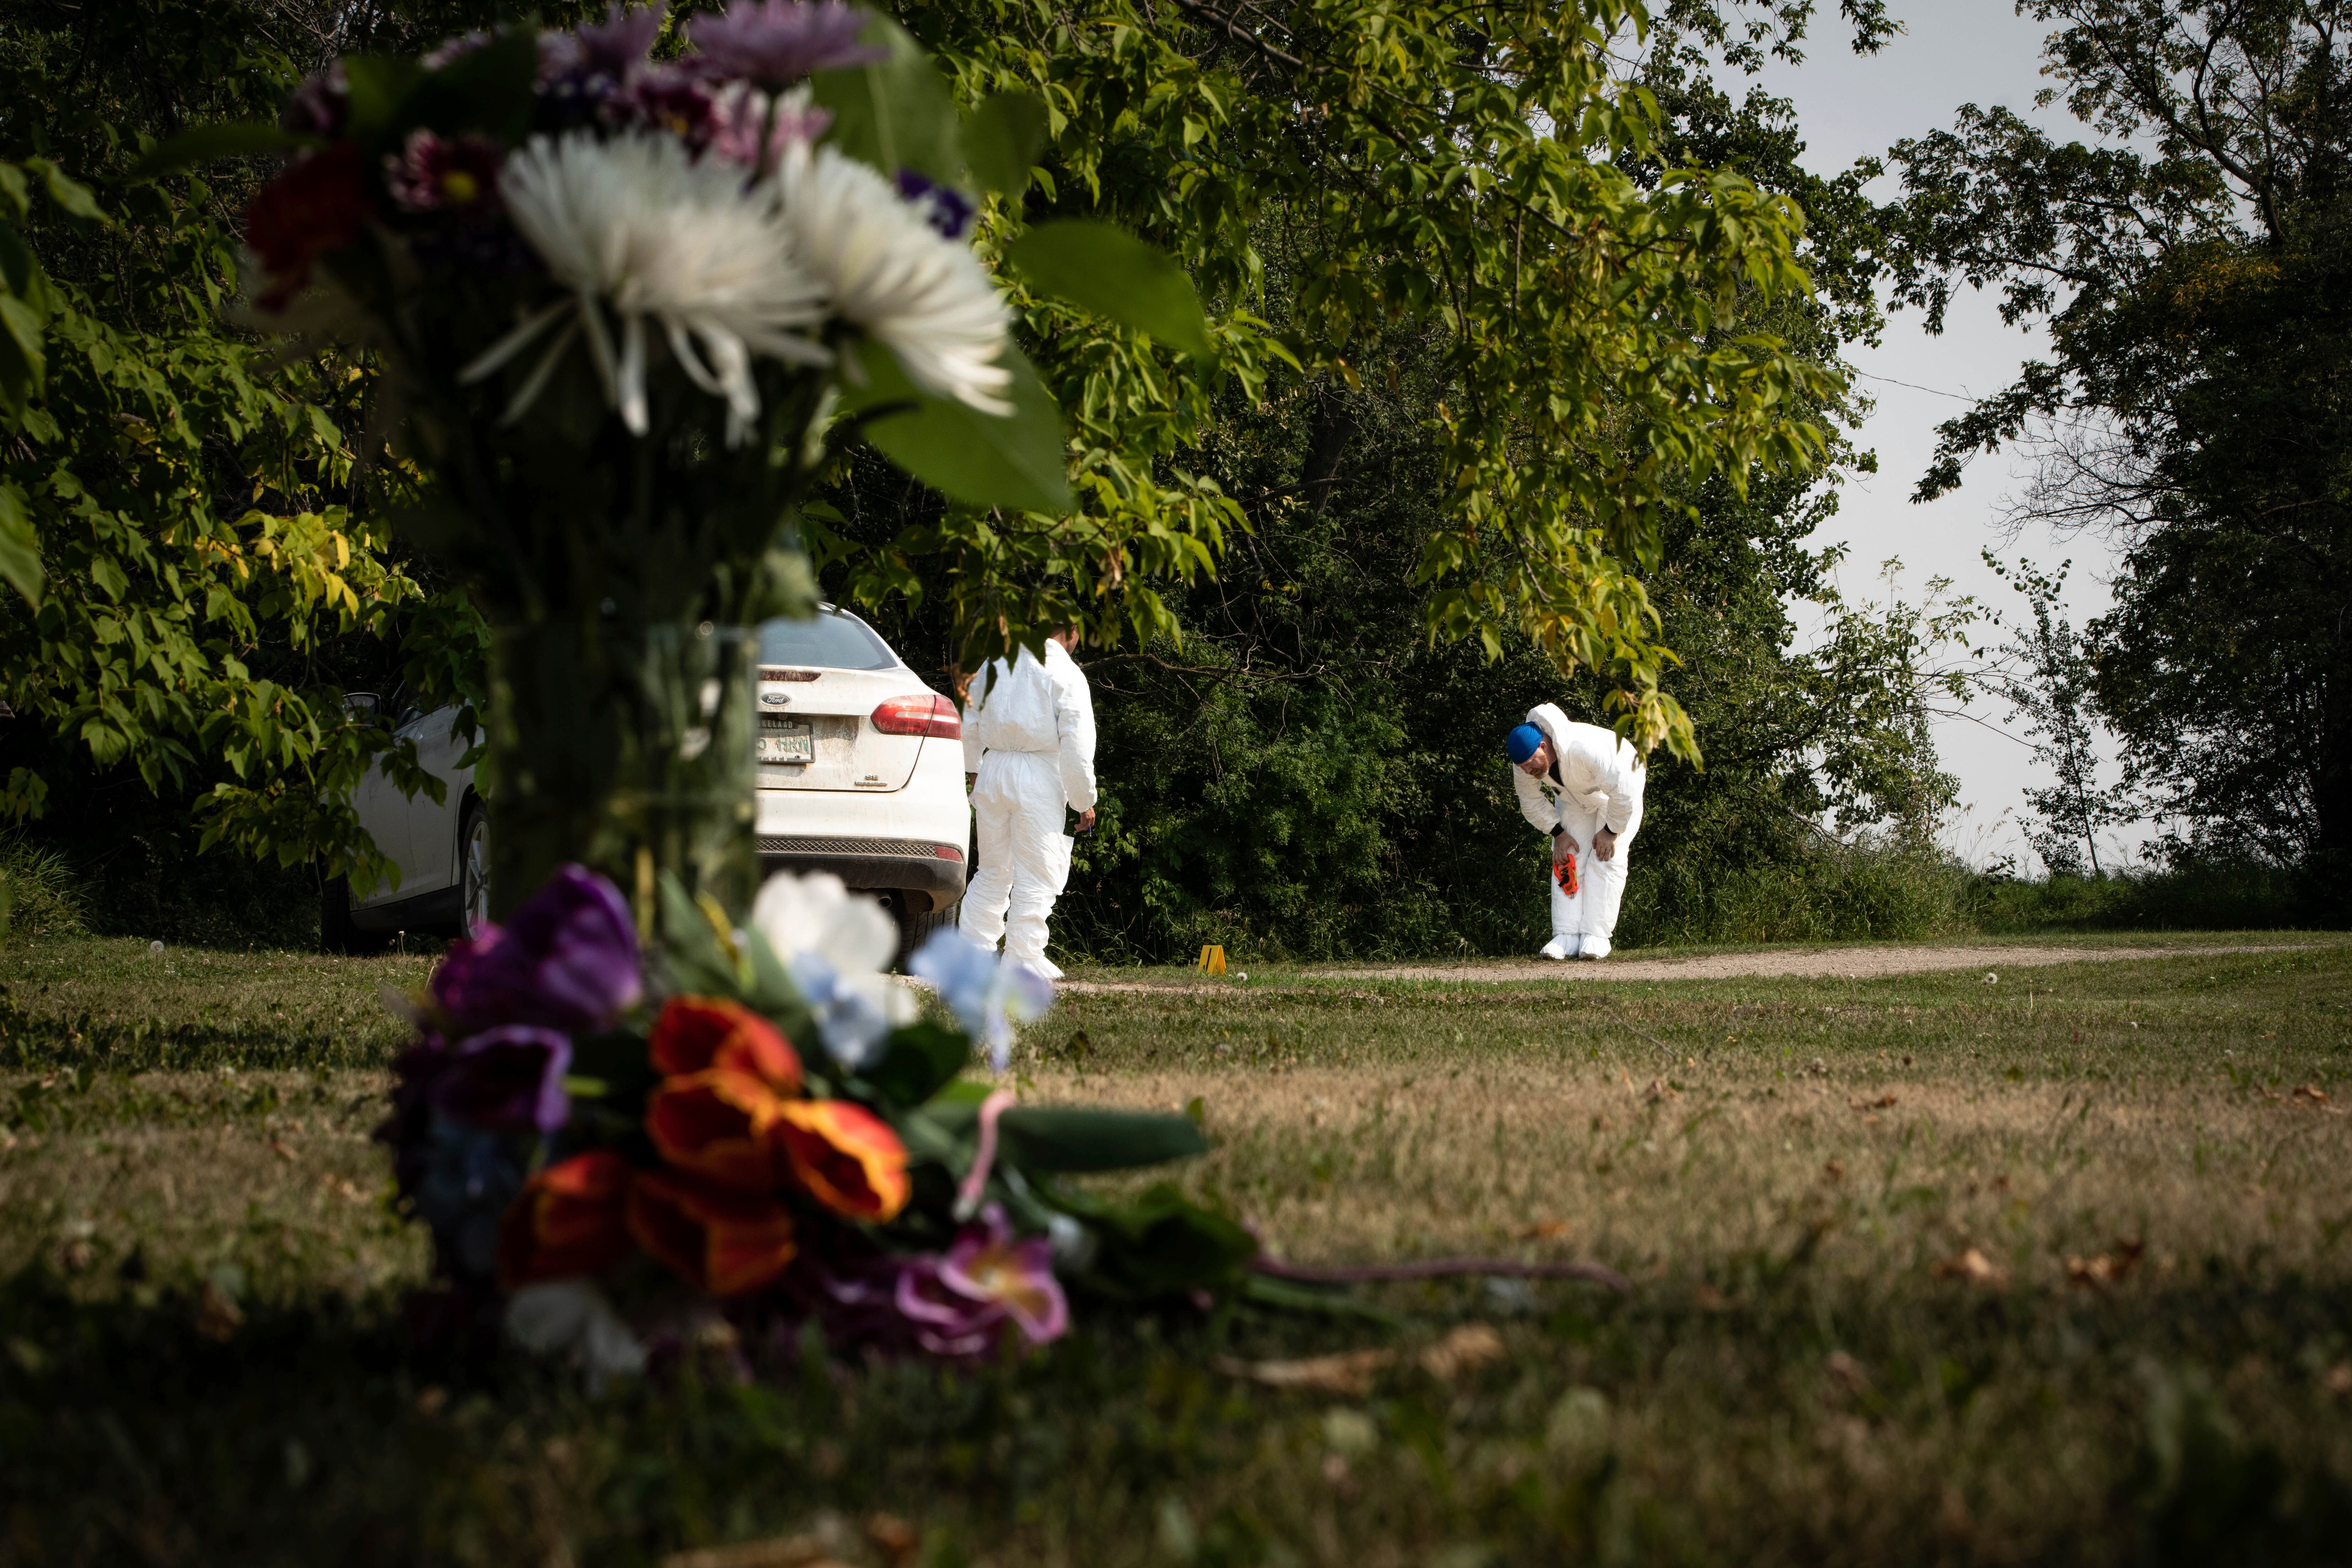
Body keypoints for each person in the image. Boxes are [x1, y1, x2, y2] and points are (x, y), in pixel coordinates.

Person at [958, 627, 1097, 979]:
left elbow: (969, 722)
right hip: (1038, 775)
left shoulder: (995, 664)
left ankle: (973, 955)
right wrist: (1084, 801)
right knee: (1037, 871)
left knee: (992, 870)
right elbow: (1077, 743)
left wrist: (974, 769)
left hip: (994, 770)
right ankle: (1023, 957)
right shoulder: (1065, 672)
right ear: (1070, 631)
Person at [1505, 705, 1644, 961]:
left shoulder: (1585, 749)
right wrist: (1558, 833)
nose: (1527, 771)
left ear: (1543, 748)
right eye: (1522, 767)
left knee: (1606, 858)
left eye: (1529, 765)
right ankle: (1566, 935)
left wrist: (1610, 831)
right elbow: (1530, 802)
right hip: (1574, 801)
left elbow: (1624, 791)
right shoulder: (1524, 763)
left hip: (1619, 794)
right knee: (1566, 857)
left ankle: (1596, 936)